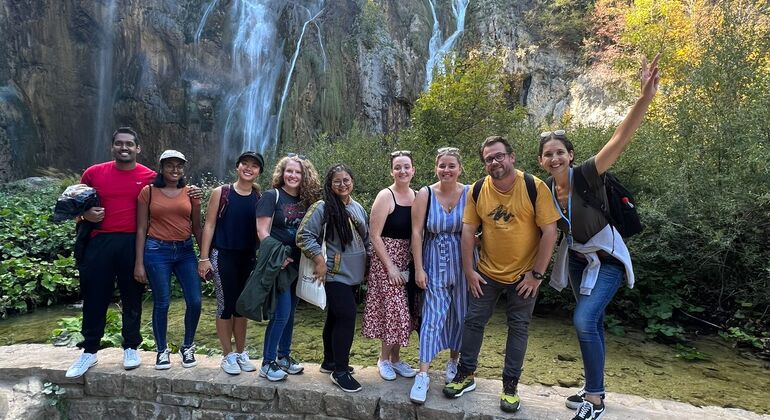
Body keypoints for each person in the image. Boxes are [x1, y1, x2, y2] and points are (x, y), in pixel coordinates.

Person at [538, 54, 660, 420]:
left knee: (583, 320)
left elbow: (620, 140)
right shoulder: (545, 190)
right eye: (548, 154)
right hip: (576, 260)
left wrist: (644, 98)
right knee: (595, 323)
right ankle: (596, 387)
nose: (555, 158)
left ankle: (595, 401)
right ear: (542, 161)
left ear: (570, 155)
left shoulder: (587, 174)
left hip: (606, 260)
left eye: (560, 152)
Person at [65, 127, 199, 378]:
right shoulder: (93, 173)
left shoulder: (150, 177)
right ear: (112, 146)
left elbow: (174, 191)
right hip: (99, 241)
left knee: (132, 296)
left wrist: (192, 192)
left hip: (132, 242)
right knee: (95, 296)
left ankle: (130, 347)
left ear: (138, 148)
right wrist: (84, 214)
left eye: (129, 144)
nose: (124, 148)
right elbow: (73, 204)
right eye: (119, 143)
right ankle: (90, 350)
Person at [442, 136, 560, 414]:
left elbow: (550, 232)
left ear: (512, 156)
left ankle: (510, 386)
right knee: (473, 322)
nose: (494, 162)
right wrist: (469, 270)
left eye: (499, 156)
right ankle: (466, 374)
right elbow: (468, 231)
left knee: (518, 328)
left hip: (524, 275)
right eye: (489, 159)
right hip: (486, 271)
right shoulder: (478, 189)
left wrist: (537, 275)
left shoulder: (534, 187)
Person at [297, 164, 371, 393]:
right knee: (347, 316)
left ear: (352, 181)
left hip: (354, 275)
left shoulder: (357, 208)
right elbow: (303, 235)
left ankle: (329, 361)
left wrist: (369, 264)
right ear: (330, 184)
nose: (342, 184)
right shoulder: (323, 207)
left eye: (346, 180)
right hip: (333, 274)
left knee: (335, 317)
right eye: (337, 181)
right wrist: (319, 260)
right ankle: (340, 372)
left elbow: (366, 239)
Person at [409, 147, 469, 404]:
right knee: (432, 316)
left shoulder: (469, 192)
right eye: (442, 165)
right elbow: (416, 233)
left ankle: (453, 365)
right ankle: (423, 374)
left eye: (451, 166)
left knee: (461, 313)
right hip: (433, 260)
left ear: (460, 168)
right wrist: (419, 268)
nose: (446, 170)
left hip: (464, 262)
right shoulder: (425, 194)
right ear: (436, 167)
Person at [134, 150, 202, 370]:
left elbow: (197, 227)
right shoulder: (149, 192)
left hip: (185, 251)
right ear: (161, 168)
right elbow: (141, 228)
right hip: (156, 250)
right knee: (162, 302)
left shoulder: (191, 192)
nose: (175, 170)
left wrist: (205, 257)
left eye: (179, 166)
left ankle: (188, 346)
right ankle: (162, 350)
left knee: (195, 301)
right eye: (170, 165)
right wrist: (139, 263)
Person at [197, 151, 264, 375]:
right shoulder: (222, 192)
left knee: (241, 307)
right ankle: (227, 355)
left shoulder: (259, 196)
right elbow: (209, 225)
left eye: (254, 165)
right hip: (223, 255)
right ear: (237, 166)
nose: (249, 168)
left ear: (259, 172)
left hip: (248, 258)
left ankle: (241, 352)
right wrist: (204, 258)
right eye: (245, 163)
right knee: (225, 305)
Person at [256, 153, 321, 381]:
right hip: (279, 264)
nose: (293, 175)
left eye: (298, 172)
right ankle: (267, 362)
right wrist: (278, 256)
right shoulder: (271, 196)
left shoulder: (306, 201)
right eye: (289, 171)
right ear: (282, 173)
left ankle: (283, 357)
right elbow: (262, 232)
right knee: (281, 313)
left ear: (305, 176)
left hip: (299, 264)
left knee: (291, 313)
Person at [362, 150, 418, 382]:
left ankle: (395, 359)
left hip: (407, 260)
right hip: (386, 260)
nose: (402, 171)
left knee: (407, 310)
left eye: (406, 166)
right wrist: (391, 267)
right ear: (392, 171)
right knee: (394, 311)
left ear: (413, 170)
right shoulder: (385, 196)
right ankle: (383, 359)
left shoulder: (417, 196)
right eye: (398, 167)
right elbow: (374, 236)